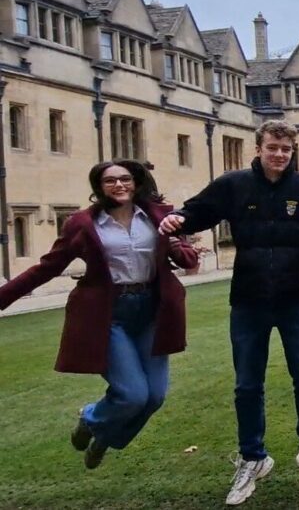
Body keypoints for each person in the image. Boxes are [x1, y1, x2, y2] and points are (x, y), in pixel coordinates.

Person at [158, 120, 299, 506]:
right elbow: (196, 212)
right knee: (247, 384)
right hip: (248, 299)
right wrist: (175, 218)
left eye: (286, 149)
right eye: (273, 147)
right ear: (258, 147)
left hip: (296, 298)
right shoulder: (233, 185)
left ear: (293, 152)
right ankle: (252, 458)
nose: (279, 154)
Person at [0, 160, 197, 469]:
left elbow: (187, 257)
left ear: (136, 183)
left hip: (152, 311)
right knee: (132, 395)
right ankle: (92, 419)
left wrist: (174, 244)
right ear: (99, 188)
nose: (119, 185)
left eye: (125, 179)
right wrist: (3, 297)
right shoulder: (82, 224)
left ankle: (105, 437)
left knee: (155, 396)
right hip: (109, 314)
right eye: (110, 181)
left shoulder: (160, 216)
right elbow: (47, 267)